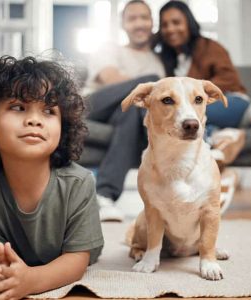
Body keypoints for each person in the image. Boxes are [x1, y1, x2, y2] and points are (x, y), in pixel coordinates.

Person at [0, 53, 104, 300]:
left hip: (72, 253)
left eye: (49, 111)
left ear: (63, 128)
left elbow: (77, 260)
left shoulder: (79, 183)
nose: (34, 120)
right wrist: (6, 276)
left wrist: (31, 281)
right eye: (18, 107)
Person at [153, 0, 251, 211]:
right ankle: (222, 143)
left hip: (231, 100)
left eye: (176, 22)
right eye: (165, 24)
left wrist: (196, 91)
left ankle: (217, 160)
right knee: (186, 118)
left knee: (190, 116)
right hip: (194, 108)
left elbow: (230, 80)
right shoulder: (167, 58)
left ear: (188, 22)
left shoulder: (210, 47)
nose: (171, 29)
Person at [84, 0, 164, 222]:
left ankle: (105, 196)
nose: (139, 23)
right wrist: (151, 87)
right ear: (123, 25)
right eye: (132, 18)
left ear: (152, 23)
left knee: (131, 112)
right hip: (95, 106)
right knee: (154, 82)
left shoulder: (158, 60)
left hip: (127, 114)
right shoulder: (109, 49)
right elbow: (110, 79)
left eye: (144, 18)